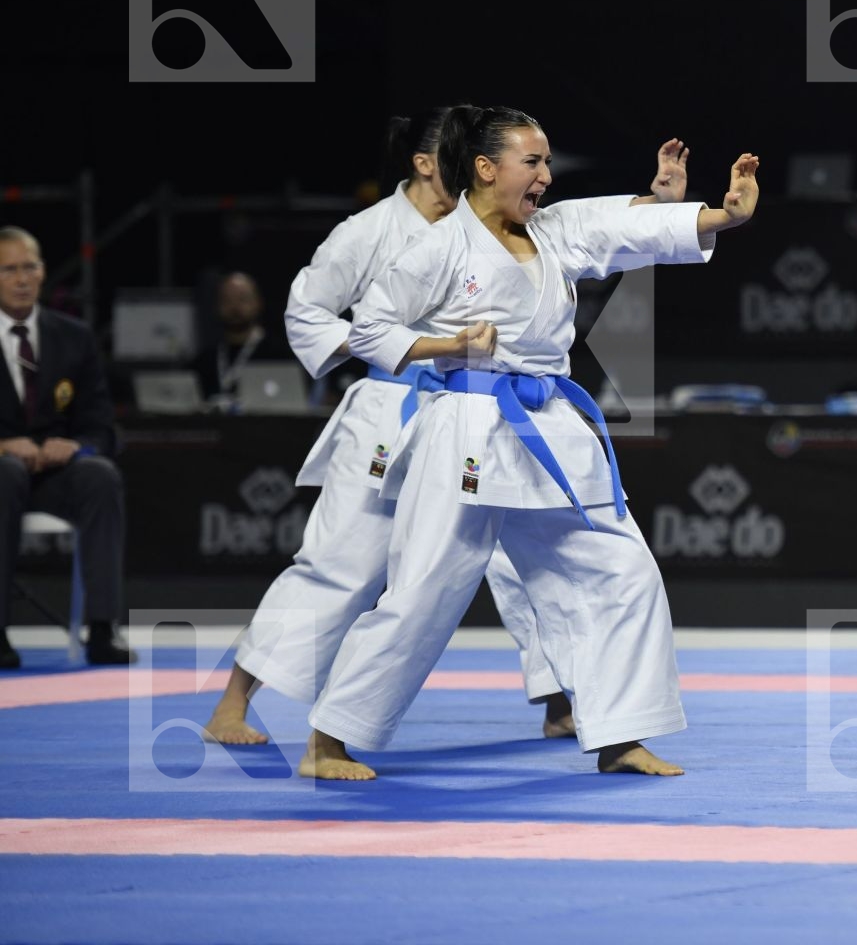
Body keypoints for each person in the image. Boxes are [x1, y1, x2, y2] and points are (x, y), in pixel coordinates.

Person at [204, 111, 692, 746]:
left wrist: (658, 208)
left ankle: (566, 703)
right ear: (427, 163)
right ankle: (235, 703)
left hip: (481, 415)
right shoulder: (372, 232)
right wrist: (423, 350)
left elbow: (591, 227)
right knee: (344, 564)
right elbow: (309, 310)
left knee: (528, 567)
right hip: (392, 408)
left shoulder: (512, 222)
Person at [303, 106, 758, 780]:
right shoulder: (437, 248)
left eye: (546, 162)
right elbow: (367, 328)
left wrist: (720, 217)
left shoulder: (552, 231)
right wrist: (446, 345)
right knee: (426, 590)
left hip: (549, 428)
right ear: (486, 169)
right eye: (532, 162)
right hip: (466, 426)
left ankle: (620, 735)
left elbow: (623, 228)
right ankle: (326, 743)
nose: (545, 176)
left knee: (621, 572)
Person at [0, 226, 134, 668]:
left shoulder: (73, 336)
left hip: (57, 474)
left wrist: (75, 445)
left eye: (29, 267)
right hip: (3, 473)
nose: (21, 279)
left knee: (100, 475)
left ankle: (101, 629)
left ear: (42, 273)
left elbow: (102, 426)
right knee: (7, 473)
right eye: (9, 269)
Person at [196, 272, 290, 407]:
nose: (234, 307)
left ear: (258, 303)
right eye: (227, 300)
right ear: (217, 306)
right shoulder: (203, 361)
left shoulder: (281, 357)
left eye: (242, 299)